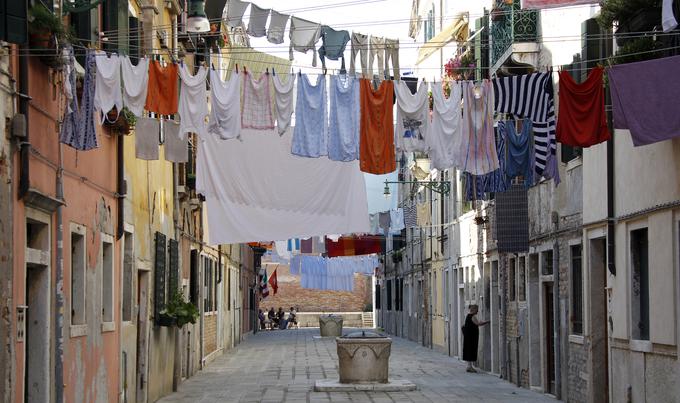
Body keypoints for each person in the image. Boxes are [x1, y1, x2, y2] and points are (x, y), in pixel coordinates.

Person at [462, 304, 489, 373]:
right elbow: (478, 324)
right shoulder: (472, 316)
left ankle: (469, 366)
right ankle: (469, 367)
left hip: (468, 336)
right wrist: (486, 322)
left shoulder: (468, 316)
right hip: (471, 337)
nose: (477, 311)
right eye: (477, 310)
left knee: (468, 350)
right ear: (474, 310)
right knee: (471, 350)